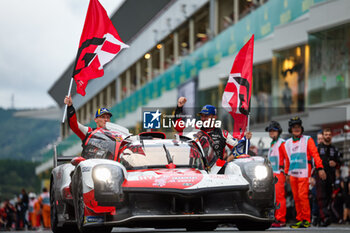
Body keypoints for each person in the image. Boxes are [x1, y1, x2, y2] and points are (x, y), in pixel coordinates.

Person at [174, 97, 251, 168]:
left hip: (216, 172)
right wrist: (179, 108)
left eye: (206, 116)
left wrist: (246, 139)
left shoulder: (223, 134)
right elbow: (177, 126)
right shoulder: (194, 128)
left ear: (214, 117)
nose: (203, 119)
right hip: (197, 169)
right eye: (202, 116)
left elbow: (238, 148)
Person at [282, 117, 326, 228]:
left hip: (304, 173)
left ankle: (306, 220)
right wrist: (286, 173)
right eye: (294, 127)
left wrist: (320, 168)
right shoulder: (287, 143)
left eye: (298, 127)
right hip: (292, 174)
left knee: (303, 196)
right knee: (296, 198)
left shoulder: (308, 139)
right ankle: (299, 219)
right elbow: (288, 159)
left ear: (301, 128)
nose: (296, 129)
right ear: (291, 130)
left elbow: (315, 155)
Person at [316, 128, 342, 226]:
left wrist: (335, 163)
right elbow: (313, 162)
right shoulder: (318, 148)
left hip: (331, 177)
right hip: (320, 176)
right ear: (322, 136)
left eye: (329, 134)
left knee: (329, 197)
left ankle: (322, 218)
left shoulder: (334, 149)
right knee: (321, 197)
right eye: (326, 134)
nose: (327, 136)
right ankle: (324, 217)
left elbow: (339, 163)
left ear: (331, 136)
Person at [265, 121, 287, 227]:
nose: (271, 133)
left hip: (279, 173)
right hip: (272, 174)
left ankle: (281, 219)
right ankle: (276, 217)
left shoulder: (282, 143)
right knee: (273, 198)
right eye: (270, 131)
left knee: (279, 197)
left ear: (279, 132)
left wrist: (286, 172)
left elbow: (288, 157)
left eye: (274, 131)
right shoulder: (272, 144)